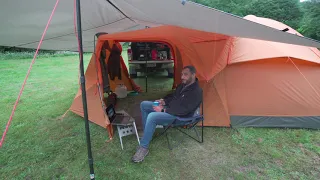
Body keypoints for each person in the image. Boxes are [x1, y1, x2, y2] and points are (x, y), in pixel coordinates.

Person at [132, 65, 203, 163]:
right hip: (170, 109)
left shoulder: (196, 92)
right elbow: (174, 96)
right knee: (144, 104)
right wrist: (164, 101)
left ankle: (143, 147)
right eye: (182, 74)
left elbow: (184, 110)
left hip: (180, 117)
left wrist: (163, 111)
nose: (182, 77)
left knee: (152, 116)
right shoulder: (183, 85)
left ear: (193, 75)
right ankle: (147, 134)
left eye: (185, 75)